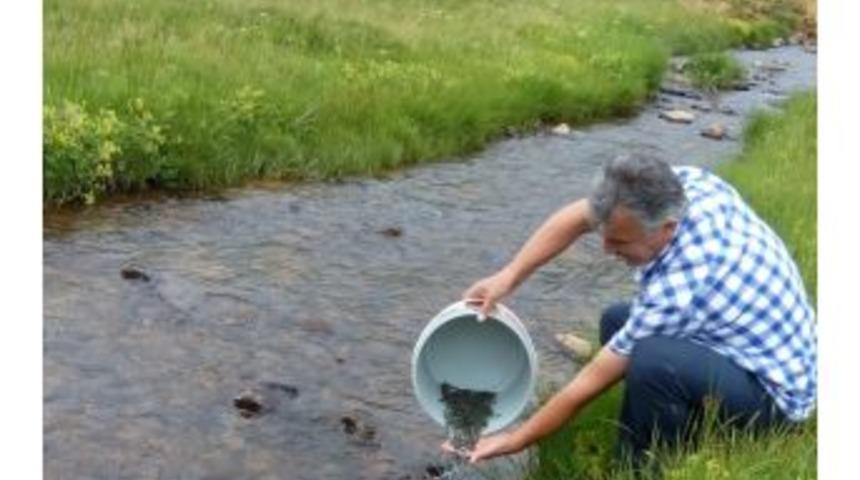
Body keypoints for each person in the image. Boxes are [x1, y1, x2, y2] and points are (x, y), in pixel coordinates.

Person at [445, 154, 817, 469]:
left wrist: (516, 439)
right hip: (750, 350)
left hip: (775, 400)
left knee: (653, 360)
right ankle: (674, 423)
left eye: (620, 241)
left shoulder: (683, 282)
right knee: (616, 321)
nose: (606, 248)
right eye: (604, 233)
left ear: (666, 229)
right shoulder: (682, 186)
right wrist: (508, 276)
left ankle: (640, 468)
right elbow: (576, 218)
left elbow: (588, 384)